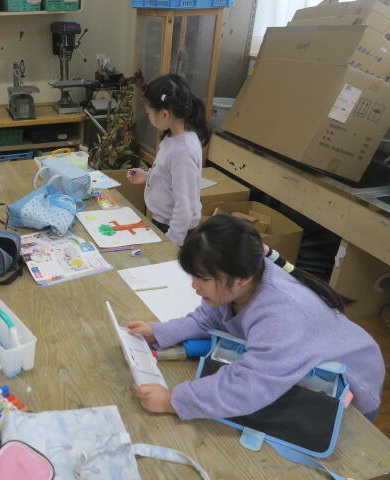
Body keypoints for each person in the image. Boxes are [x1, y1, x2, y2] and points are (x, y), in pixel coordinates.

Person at [127, 214, 384, 422]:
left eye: (203, 278)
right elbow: (206, 319)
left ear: (242, 278)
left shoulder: (281, 315)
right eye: (192, 275)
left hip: (350, 382)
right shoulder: (240, 279)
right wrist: (159, 332)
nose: (195, 286)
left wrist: (173, 400)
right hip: (304, 367)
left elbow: (249, 386)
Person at [127, 74, 212, 246]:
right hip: (165, 222)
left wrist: (171, 243)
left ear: (164, 114)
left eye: (149, 113)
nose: (149, 117)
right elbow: (170, 177)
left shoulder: (182, 151)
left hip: (176, 230)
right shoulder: (174, 137)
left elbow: (184, 207)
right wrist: (148, 176)